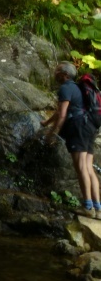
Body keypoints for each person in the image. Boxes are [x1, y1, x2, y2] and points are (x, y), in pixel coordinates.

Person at [41, 61, 101, 218]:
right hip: (89, 127)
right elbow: (61, 111)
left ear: (65, 75)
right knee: (89, 167)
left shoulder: (66, 88)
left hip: (78, 127)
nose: (55, 73)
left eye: (58, 70)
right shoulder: (76, 89)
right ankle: (98, 208)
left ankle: (88, 207)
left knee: (81, 166)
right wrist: (46, 123)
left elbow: (62, 115)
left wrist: (51, 135)